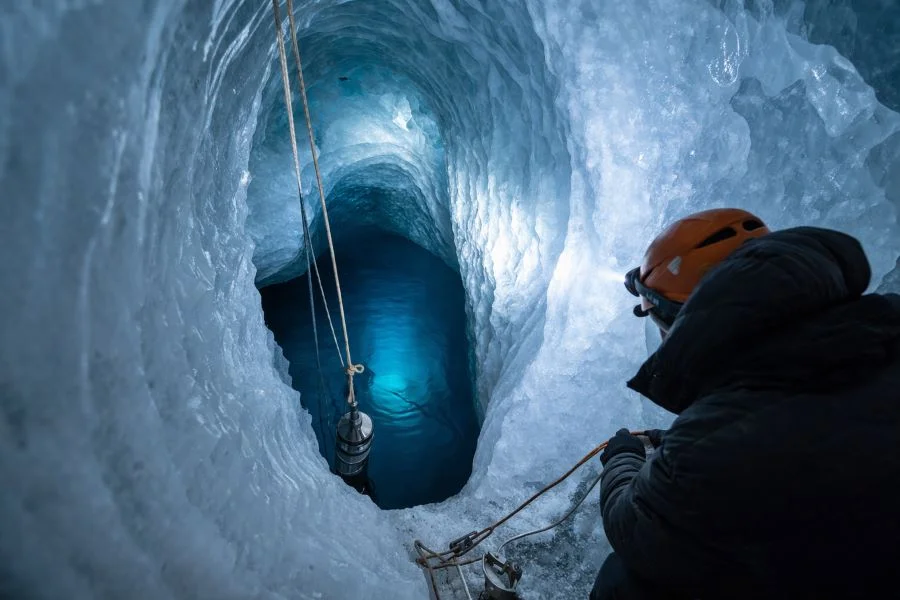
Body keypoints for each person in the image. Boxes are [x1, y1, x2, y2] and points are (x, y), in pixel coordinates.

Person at [591, 208, 900, 600]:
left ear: (683, 320)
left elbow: (632, 525)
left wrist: (622, 457)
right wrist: (683, 442)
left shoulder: (713, 446)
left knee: (626, 583)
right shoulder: (885, 329)